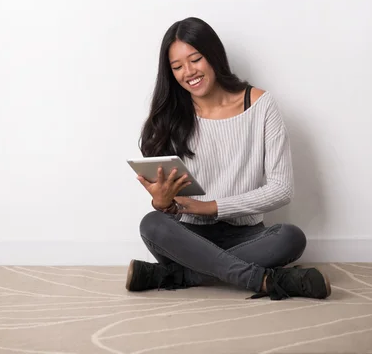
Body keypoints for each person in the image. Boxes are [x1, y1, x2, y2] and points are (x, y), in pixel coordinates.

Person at [126, 17, 331, 300]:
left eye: (195, 59)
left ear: (213, 55)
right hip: (189, 237)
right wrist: (162, 203)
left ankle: (177, 275)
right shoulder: (170, 116)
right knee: (151, 224)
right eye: (177, 67)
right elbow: (168, 207)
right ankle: (263, 280)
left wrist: (210, 207)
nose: (188, 72)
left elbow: (281, 190)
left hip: (245, 235)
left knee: (291, 237)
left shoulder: (260, 105)